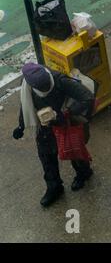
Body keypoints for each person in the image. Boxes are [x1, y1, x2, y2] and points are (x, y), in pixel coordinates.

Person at [12, 63, 95, 207]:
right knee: (46, 157)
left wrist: (66, 113)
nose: (45, 90)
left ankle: (84, 173)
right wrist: (21, 125)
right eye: (42, 89)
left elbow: (87, 97)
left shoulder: (60, 80)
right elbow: (25, 105)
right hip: (45, 127)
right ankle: (54, 187)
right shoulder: (26, 85)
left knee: (73, 150)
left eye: (47, 87)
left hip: (65, 123)